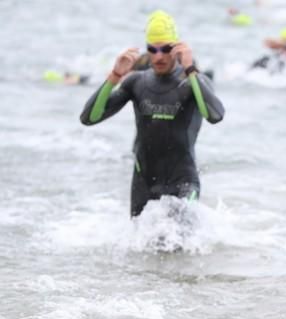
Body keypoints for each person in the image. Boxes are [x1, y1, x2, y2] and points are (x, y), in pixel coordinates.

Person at [79, 10, 225, 217]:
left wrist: (190, 69)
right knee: (139, 246)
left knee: (183, 244)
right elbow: (89, 118)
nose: (158, 56)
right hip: (144, 181)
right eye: (152, 49)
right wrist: (115, 76)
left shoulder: (192, 82)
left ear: (176, 48)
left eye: (165, 49)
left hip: (183, 182)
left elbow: (215, 115)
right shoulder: (136, 82)